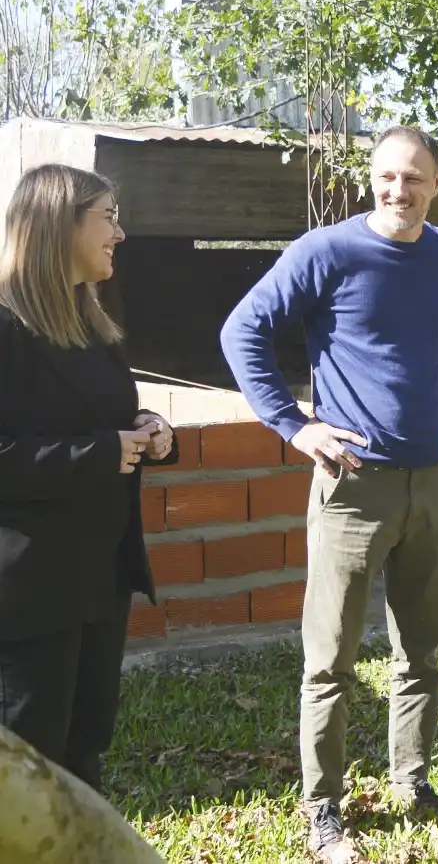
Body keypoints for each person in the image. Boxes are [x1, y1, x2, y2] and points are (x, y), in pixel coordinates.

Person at [220, 126, 438, 862]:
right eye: (386, 177)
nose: (397, 191)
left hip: (433, 481)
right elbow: (242, 331)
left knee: (422, 649)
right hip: (353, 484)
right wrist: (292, 425)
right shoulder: (326, 252)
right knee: (331, 659)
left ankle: (413, 778)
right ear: (369, 180)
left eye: (413, 178)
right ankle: (324, 810)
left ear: (437, 183)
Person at [0, 164, 176, 792]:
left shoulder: (89, 322)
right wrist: (102, 451)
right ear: (58, 225)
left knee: (83, 755)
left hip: (100, 577)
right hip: (31, 594)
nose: (120, 234)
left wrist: (147, 428)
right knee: (28, 770)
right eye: (107, 217)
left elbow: (103, 419)